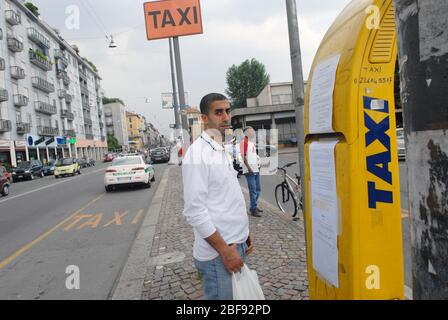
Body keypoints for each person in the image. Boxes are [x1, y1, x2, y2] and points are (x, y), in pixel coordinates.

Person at [182, 93, 254, 300]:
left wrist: (244, 233)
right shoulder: (197, 154)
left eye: (228, 111)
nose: (226, 117)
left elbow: (226, 197)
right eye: (218, 112)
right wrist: (225, 251)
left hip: (235, 243)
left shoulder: (220, 147)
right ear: (204, 118)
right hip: (218, 255)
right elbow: (195, 212)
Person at [241, 127, 262, 217]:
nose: (253, 132)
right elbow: (243, 156)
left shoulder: (251, 142)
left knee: (258, 189)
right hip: (249, 170)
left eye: (253, 130)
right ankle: (253, 209)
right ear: (246, 133)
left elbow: (253, 155)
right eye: (251, 130)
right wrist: (249, 168)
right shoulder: (244, 142)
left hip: (255, 169)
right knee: (253, 190)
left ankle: (254, 206)